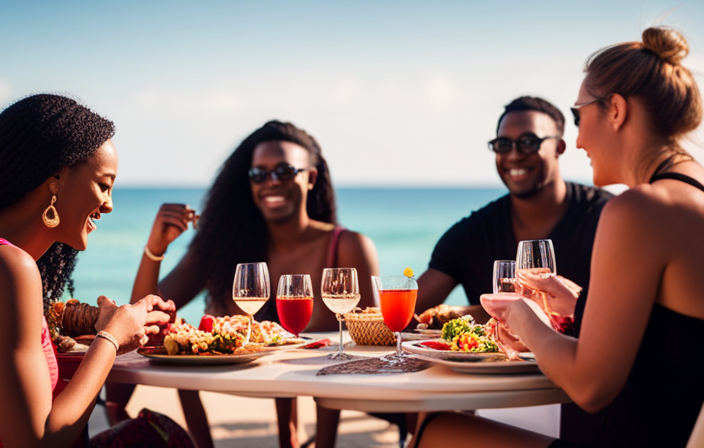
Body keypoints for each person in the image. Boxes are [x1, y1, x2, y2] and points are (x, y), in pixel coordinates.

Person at [413, 26, 704, 448]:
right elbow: (670, 338)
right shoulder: (691, 195)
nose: (580, 139)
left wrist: (520, 316)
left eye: (579, 116)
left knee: (434, 428)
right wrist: (578, 304)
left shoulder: (639, 209)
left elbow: (590, 387)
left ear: (617, 111)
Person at [107, 120, 379, 448]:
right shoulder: (226, 247)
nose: (270, 183)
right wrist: (155, 250)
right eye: (258, 174)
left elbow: (359, 348)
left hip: (323, 412)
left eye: (283, 171)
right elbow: (148, 315)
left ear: (311, 178)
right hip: (228, 393)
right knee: (178, 338)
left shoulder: (348, 247)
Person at [415, 96, 613, 444]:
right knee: (429, 415)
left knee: (433, 431)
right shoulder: (473, 231)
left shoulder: (607, 219)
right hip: (501, 400)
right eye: (503, 144)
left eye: (529, 142)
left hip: (592, 407)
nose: (514, 154)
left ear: (561, 147)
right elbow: (412, 309)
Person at [0, 93, 185, 447]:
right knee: (161, 436)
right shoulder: (12, 269)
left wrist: (106, 326)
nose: (110, 205)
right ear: (55, 177)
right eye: (104, 185)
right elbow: (37, 440)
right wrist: (111, 339)